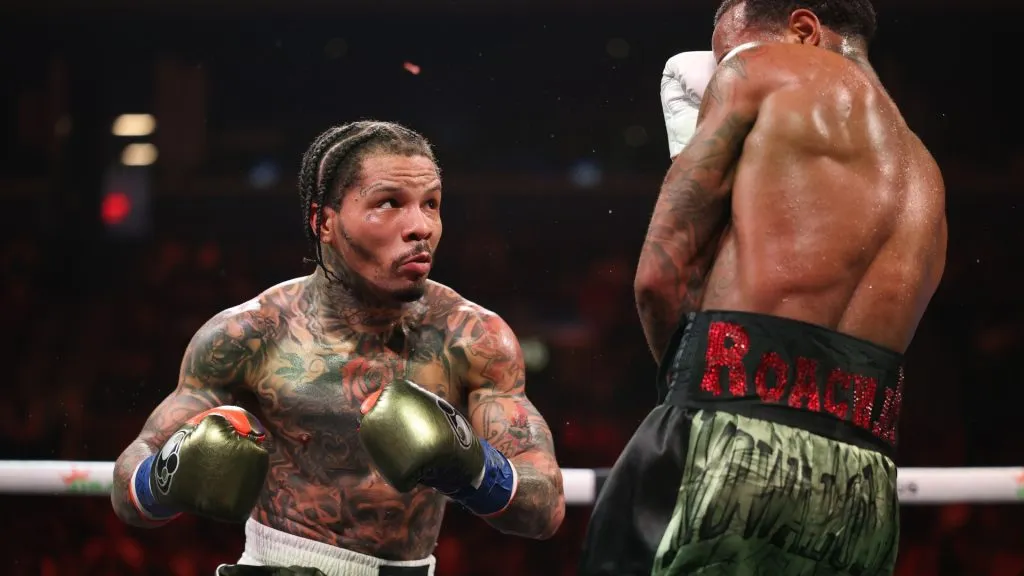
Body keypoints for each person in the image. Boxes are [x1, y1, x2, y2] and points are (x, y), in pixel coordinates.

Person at [578, 0, 946, 574]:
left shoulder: (764, 71)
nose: (723, 66)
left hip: (730, 441)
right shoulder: (927, 176)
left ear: (803, 30)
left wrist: (682, 388)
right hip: (865, 485)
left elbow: (659, 277)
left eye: (729, 50)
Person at [110, 120, 566, 576]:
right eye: (389, 203)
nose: (420, 227)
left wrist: (472, 466)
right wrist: (166, 477)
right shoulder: (249, 335)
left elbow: (545, 507)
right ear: (323, 222)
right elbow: (129, 484)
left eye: (431, 204)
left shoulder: (472, 338)